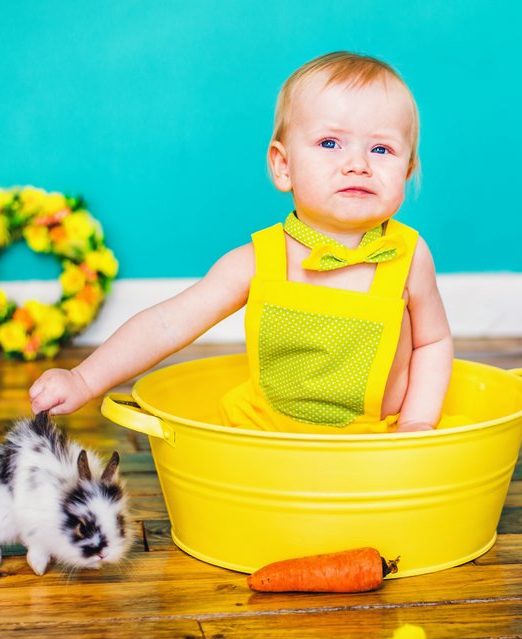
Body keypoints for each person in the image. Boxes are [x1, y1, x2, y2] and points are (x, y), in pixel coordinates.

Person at [30, 51, 453, 433]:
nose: (358, 164)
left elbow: (432, 342)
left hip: (379, 440)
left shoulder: (409, 255)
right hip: (268, 437)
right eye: (330, 143)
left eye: (381, 149)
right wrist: (84, 379)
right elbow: (166, 323)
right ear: (283, 166)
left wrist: (416, 423)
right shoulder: (257, 261)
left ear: (408, 169)